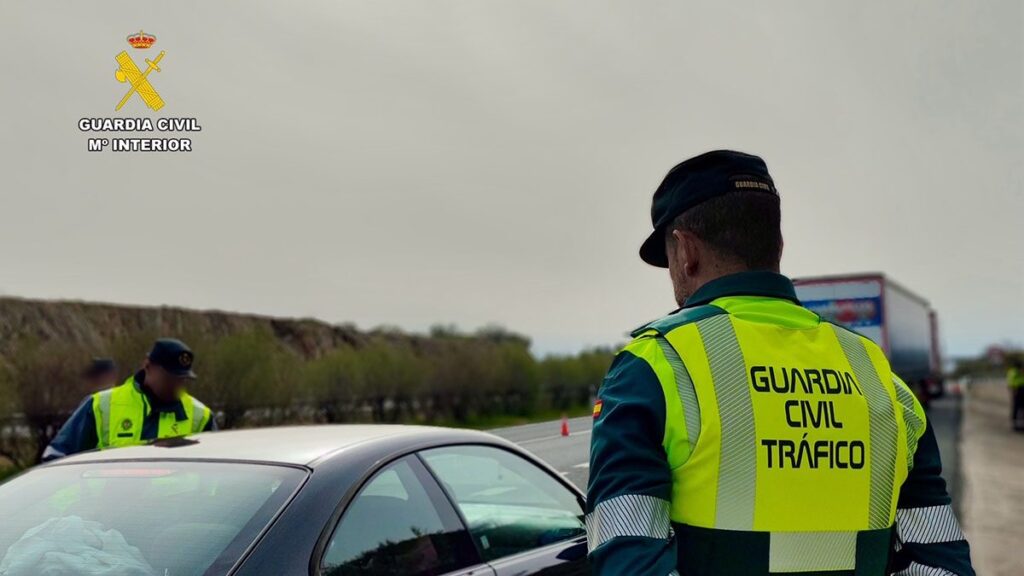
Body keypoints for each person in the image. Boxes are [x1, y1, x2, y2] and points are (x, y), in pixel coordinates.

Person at [586, 151, 974, 575]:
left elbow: (627, 559)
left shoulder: (654, 367)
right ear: (778, 246)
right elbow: (941, 563)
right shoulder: (878, 376)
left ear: (685, 250)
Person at [43, 338, 215, 461]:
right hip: (109, 510)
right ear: (148, 366)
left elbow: (217, 476)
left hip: (176, 511)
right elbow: (57, 458)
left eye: (182, 380)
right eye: (169, 378)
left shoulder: (201, 416)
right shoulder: (102, 405)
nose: (176, 386)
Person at [1008, 359, 1024, 431]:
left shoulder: (1021, 371)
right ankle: (1015, 424)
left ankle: (1021, 423)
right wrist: (1013, 389)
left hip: (1022, 389)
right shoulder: (1013, 372)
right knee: (1016, 407)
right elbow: (1011, 381)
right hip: (1017, 390)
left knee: (1022, 407)